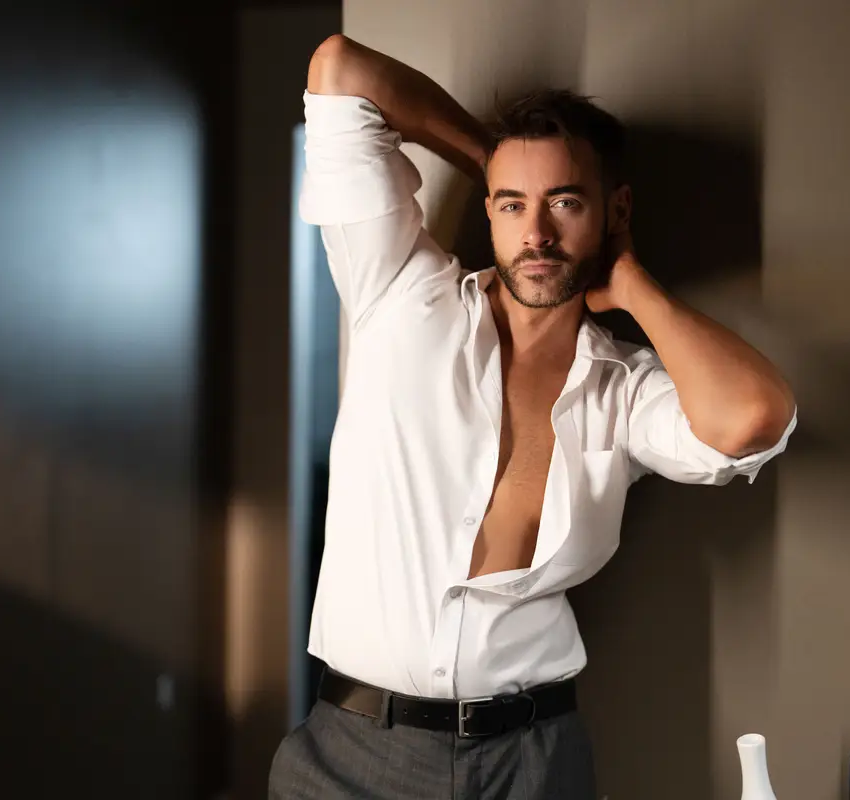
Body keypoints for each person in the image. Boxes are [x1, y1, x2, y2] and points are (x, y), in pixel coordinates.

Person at [268, 34, 797, 800]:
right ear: (489, 209)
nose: (537, 234)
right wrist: (491, 159)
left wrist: (634, 286)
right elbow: (339, 68)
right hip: (349, 760)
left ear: (616, 211)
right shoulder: (400, 294)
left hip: (532, 763)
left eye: (566, 202)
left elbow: (754, 417)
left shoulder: (623, 392)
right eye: (513, 204)